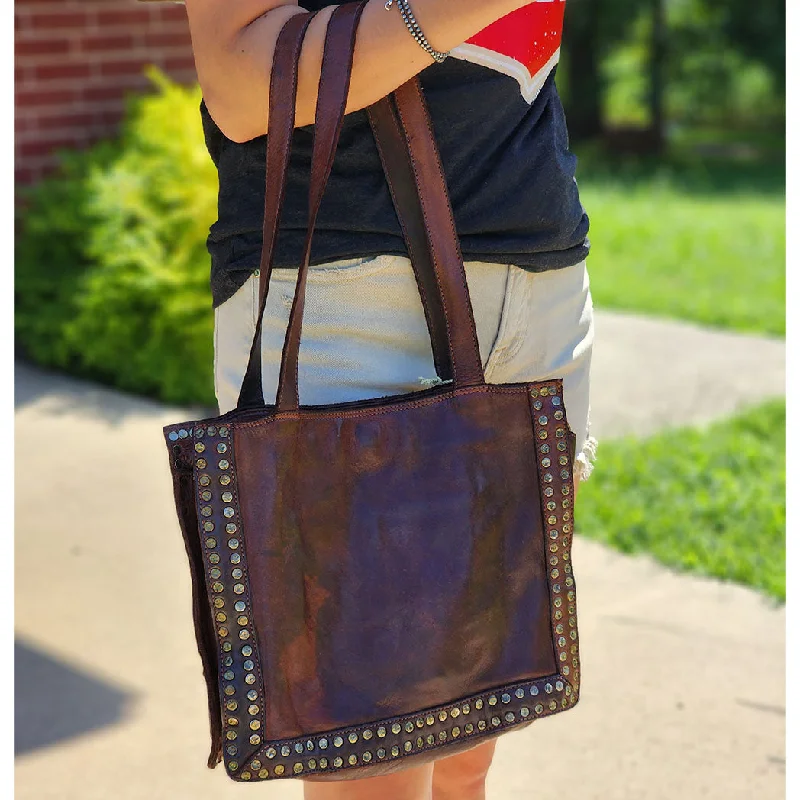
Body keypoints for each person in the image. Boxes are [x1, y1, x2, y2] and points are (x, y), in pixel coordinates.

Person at [184, 1, 596, 798]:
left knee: (476, 724)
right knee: (380, 752)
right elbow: (238, 82)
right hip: (349, 288)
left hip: (538, 272)